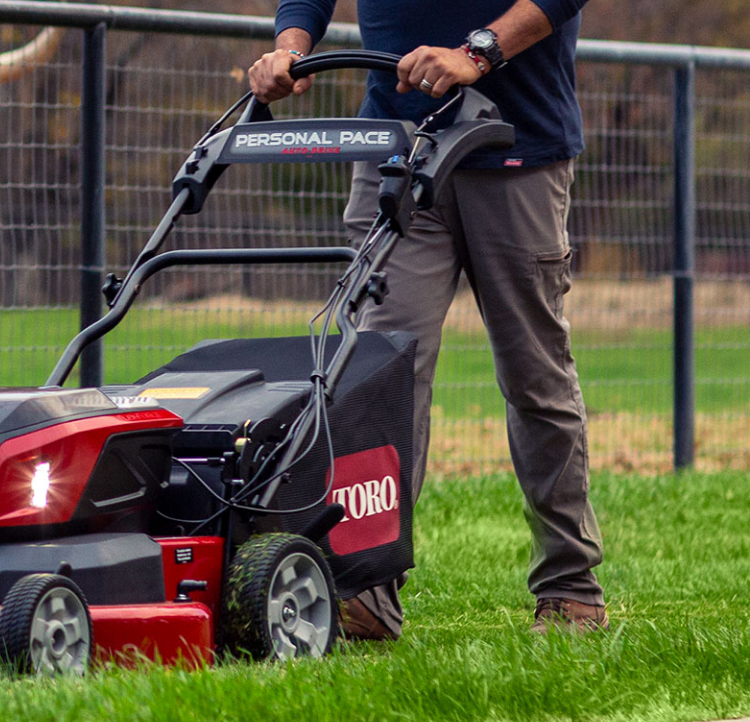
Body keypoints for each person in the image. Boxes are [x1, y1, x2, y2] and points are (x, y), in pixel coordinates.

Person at [248, 0, 607, 637]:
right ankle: (366, 590)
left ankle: (569, 587)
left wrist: (478, 54)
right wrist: (291, 42)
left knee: (535, 376)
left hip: (516, 146)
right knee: (377, 380)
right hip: (396, 152)